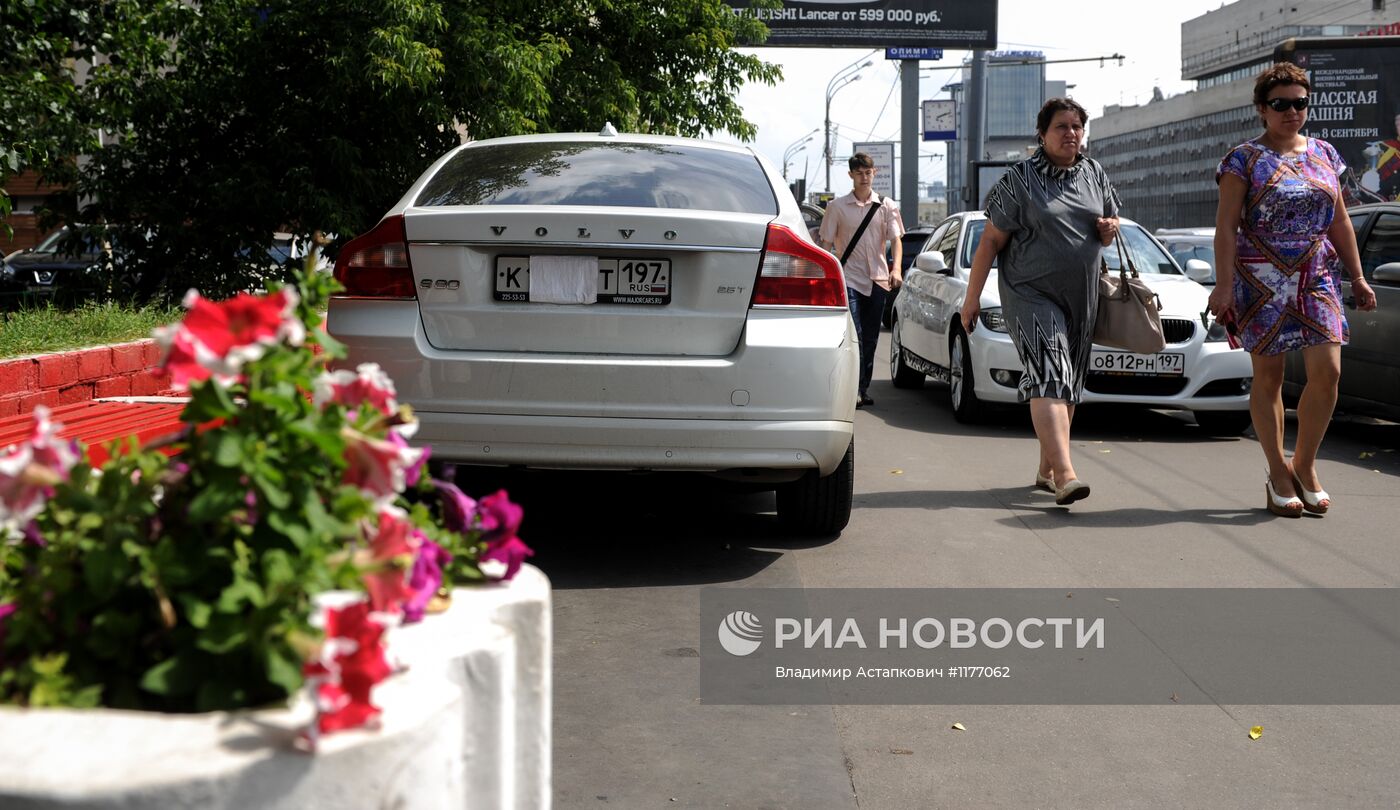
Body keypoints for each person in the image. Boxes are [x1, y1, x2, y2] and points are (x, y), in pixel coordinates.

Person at [1208, 63, 1378, 518]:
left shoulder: (1324, 152)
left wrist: (1358, 276)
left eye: (1299, 103)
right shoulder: (1242, 158)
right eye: (1280, 104)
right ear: (1262, 109)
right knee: (1270, 379)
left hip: (1316, 276)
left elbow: (1341, 220)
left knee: (1329, 371)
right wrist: (1223, 286)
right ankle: (1277, 472)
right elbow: (1225, 228)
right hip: (1259, 281)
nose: (1291, 111)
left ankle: (1303, 465)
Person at [959, 98, 1120, 506]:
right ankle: (1066, 474)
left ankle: (1048, 468)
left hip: (1080, 297)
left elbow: (1110, 223)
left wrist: (1109, 228)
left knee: (1069, 385)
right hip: (1029, 294)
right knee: (1051, 372)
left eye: (1076, 127)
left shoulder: (1094, 173)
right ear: (1043, 134)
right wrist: (971, 299)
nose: (1070, 133)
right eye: (1061, 127)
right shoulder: (1019, 180)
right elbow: (990, 242)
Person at [819, 152, 904, 408]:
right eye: (859, 173)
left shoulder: (886, 206)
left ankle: (862, 387)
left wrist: (896, 269)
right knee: (854, 334)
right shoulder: (837, 207)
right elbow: (825, 245)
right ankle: (851, 389)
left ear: (874, 173)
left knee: (870, 338)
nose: (864, 177)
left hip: (878, 279)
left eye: (868, 173)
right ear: (851, 176)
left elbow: (896, 240)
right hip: (849, 279)